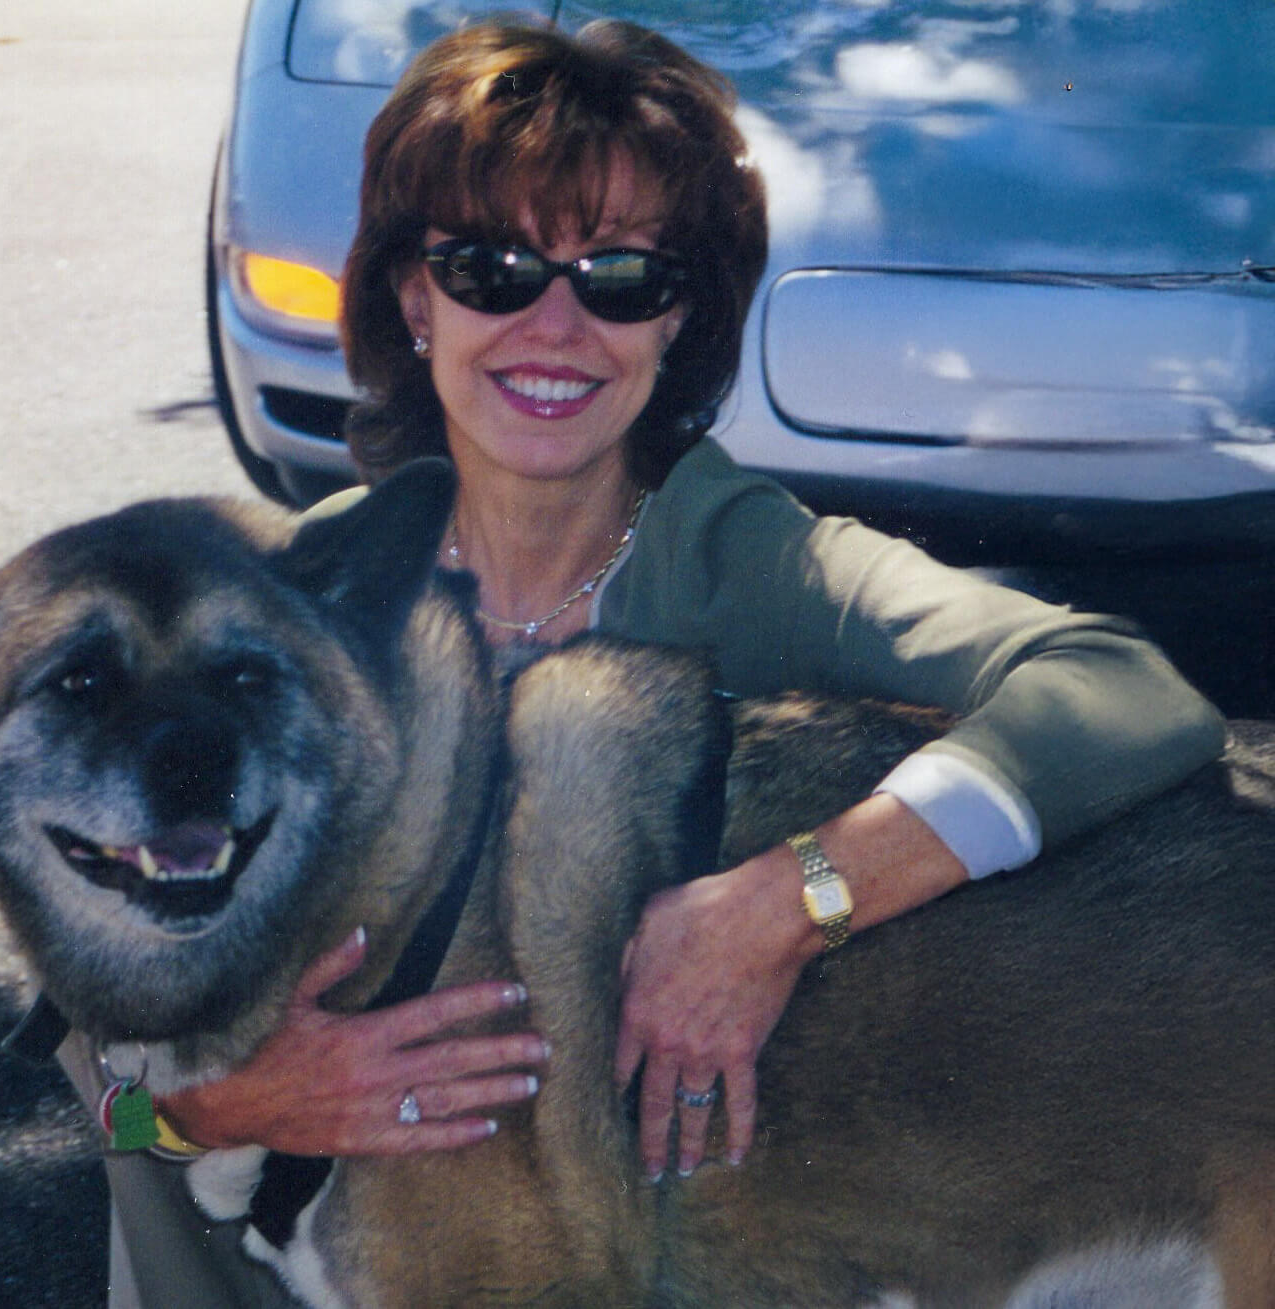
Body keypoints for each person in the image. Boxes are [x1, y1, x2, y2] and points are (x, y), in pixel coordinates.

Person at [73, 18, 1225, 1305]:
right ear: (413, 297)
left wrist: (792, 899)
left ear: (678, 320)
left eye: (621, 275)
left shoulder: (739, 554)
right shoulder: (281, 614)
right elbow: (100, 1107)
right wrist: (220, 1105)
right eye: (491, 268)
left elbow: (1120, 688)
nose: (556, 325)